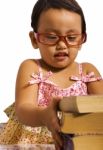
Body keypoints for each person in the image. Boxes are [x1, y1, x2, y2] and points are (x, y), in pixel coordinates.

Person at [0, 0, 103, 149]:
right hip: (35, 143)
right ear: (34, 39)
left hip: (77, 141)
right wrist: (43, 115)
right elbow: (23, 110)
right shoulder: (32, 67)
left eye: (72, 37)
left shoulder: (88, 71)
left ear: (81, 40)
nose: (62, 45)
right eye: (51, 37)